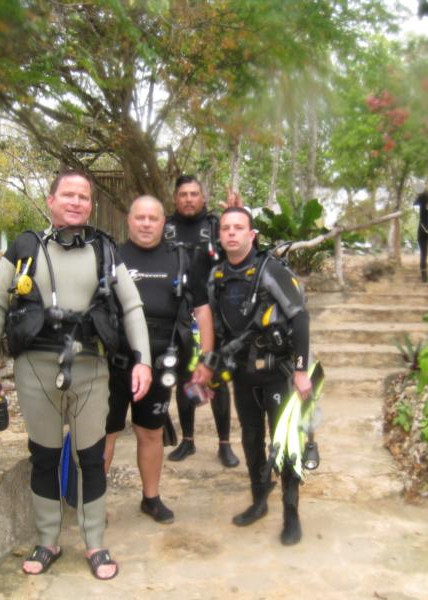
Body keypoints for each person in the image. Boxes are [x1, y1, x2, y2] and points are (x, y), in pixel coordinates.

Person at [0, 170, 152, 581]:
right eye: (68, 195)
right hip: (36, 369)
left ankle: (96, 542)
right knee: (45, 457)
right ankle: (48, 539)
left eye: (84, 197)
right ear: (51, 200)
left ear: (90, 205)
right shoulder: (25, 248)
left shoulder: (105, 250)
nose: (76, 202)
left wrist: (142, 359)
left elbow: (132, 307)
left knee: (91, 457)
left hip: (91, 368)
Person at [103, 195, 216, 524]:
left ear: (163, 222)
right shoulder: (111, 257)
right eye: (140, 217)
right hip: (114, 363)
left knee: (150, 432)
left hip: (159, 362)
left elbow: (203, 311)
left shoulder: (181, 259)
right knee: (105, 433)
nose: (147, 223)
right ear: (129, 220)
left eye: (153, 218)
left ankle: (151, 498)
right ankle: (95, 504)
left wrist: (205, 360)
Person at [208, 207, 312, 545]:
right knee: (251, 439)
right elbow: (218, 329)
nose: (232, 233)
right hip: (243, 373)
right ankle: (258, 501)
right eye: (226, 228)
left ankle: (291, 512)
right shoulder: (217, 277)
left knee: (286, 441)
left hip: (277, 372)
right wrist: (212, 365)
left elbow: (299, 318)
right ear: (220, 236)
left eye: (239, 227)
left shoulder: (271, 271)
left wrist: (301, 369)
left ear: (252, 235)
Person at [163, 175, 240, 468]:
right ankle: (188, 441)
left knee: (217, 377)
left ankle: (224, 444)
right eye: (183, 194)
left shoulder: (216, 226)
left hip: (214, 311)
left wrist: (238, 212)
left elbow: (241, 248)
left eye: (194, 193)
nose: (189, 199)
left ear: (203, 197)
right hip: (178, 313)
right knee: (184, 375)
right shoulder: (165, 228)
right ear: (175, 198)